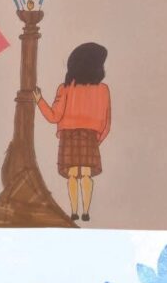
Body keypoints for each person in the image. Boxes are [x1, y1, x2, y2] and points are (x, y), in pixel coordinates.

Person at [34, 42, 111, 222]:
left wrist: (39, 100)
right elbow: (106, 123)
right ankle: (86, 212)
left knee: (72, 175)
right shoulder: (103, 89)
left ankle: (74, 211)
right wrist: (96, 140)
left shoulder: (65, 88)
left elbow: (54, 116)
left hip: (68, 136)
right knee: (86, 174)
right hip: (90, 137)